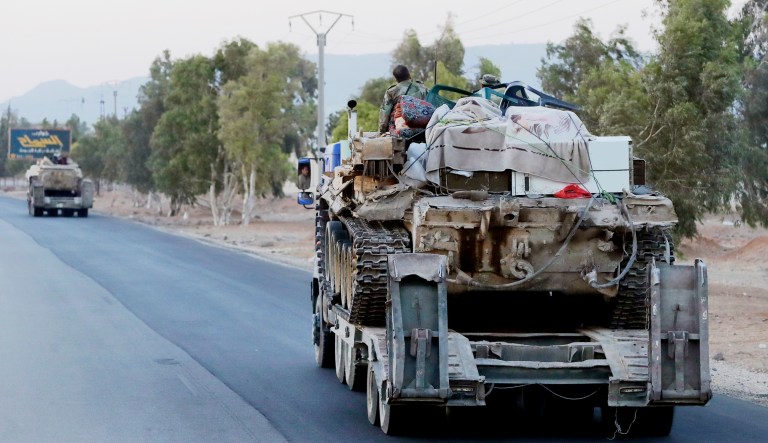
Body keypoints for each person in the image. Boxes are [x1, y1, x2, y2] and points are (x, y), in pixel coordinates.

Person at [378, 65, 428, 133]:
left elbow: (385, 113)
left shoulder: (391, 91)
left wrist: (381, 131)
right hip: (422, 128)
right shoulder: (422, 88)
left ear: (396, 79)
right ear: (409, 75)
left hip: (400, 129)